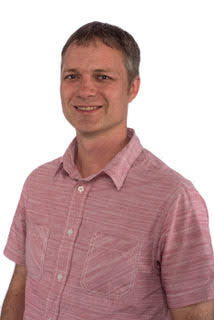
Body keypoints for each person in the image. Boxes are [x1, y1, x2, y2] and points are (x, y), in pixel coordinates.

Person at [1, 21, 214, 320]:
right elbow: (20, 284)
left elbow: (194, 313)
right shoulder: (37, 185)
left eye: (102, 77)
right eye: (72, 76)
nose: (85, 90)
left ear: (133, 87)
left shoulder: (175, 200)